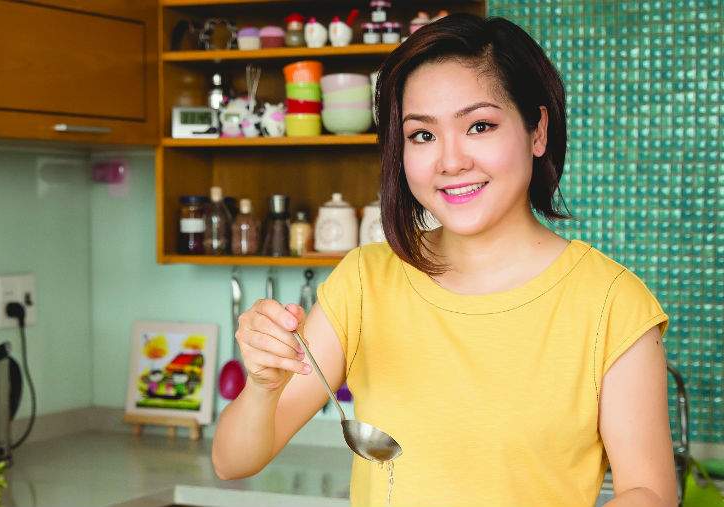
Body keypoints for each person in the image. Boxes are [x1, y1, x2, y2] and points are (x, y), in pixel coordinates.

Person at [212, 13, 677, 507]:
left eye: (479, 125)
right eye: (423, 135)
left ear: (536, 131)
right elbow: (232, 460)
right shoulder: (366, 281)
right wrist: (263, 385)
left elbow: (649, 491)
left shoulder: (611, 303)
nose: (451, 161)